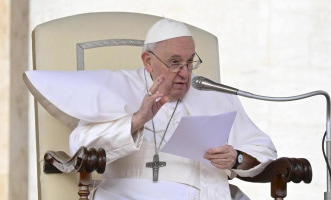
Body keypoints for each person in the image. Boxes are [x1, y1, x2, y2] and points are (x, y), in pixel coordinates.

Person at [25, 18, 277, 200]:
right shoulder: (118, 88)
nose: (185, 73)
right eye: (175, 62)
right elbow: (81, 145)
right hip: (133, 193)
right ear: (148, 61)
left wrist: (237, 158)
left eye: (190, 63)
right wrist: (136, 120)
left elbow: (263, 149)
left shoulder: (215, 94)